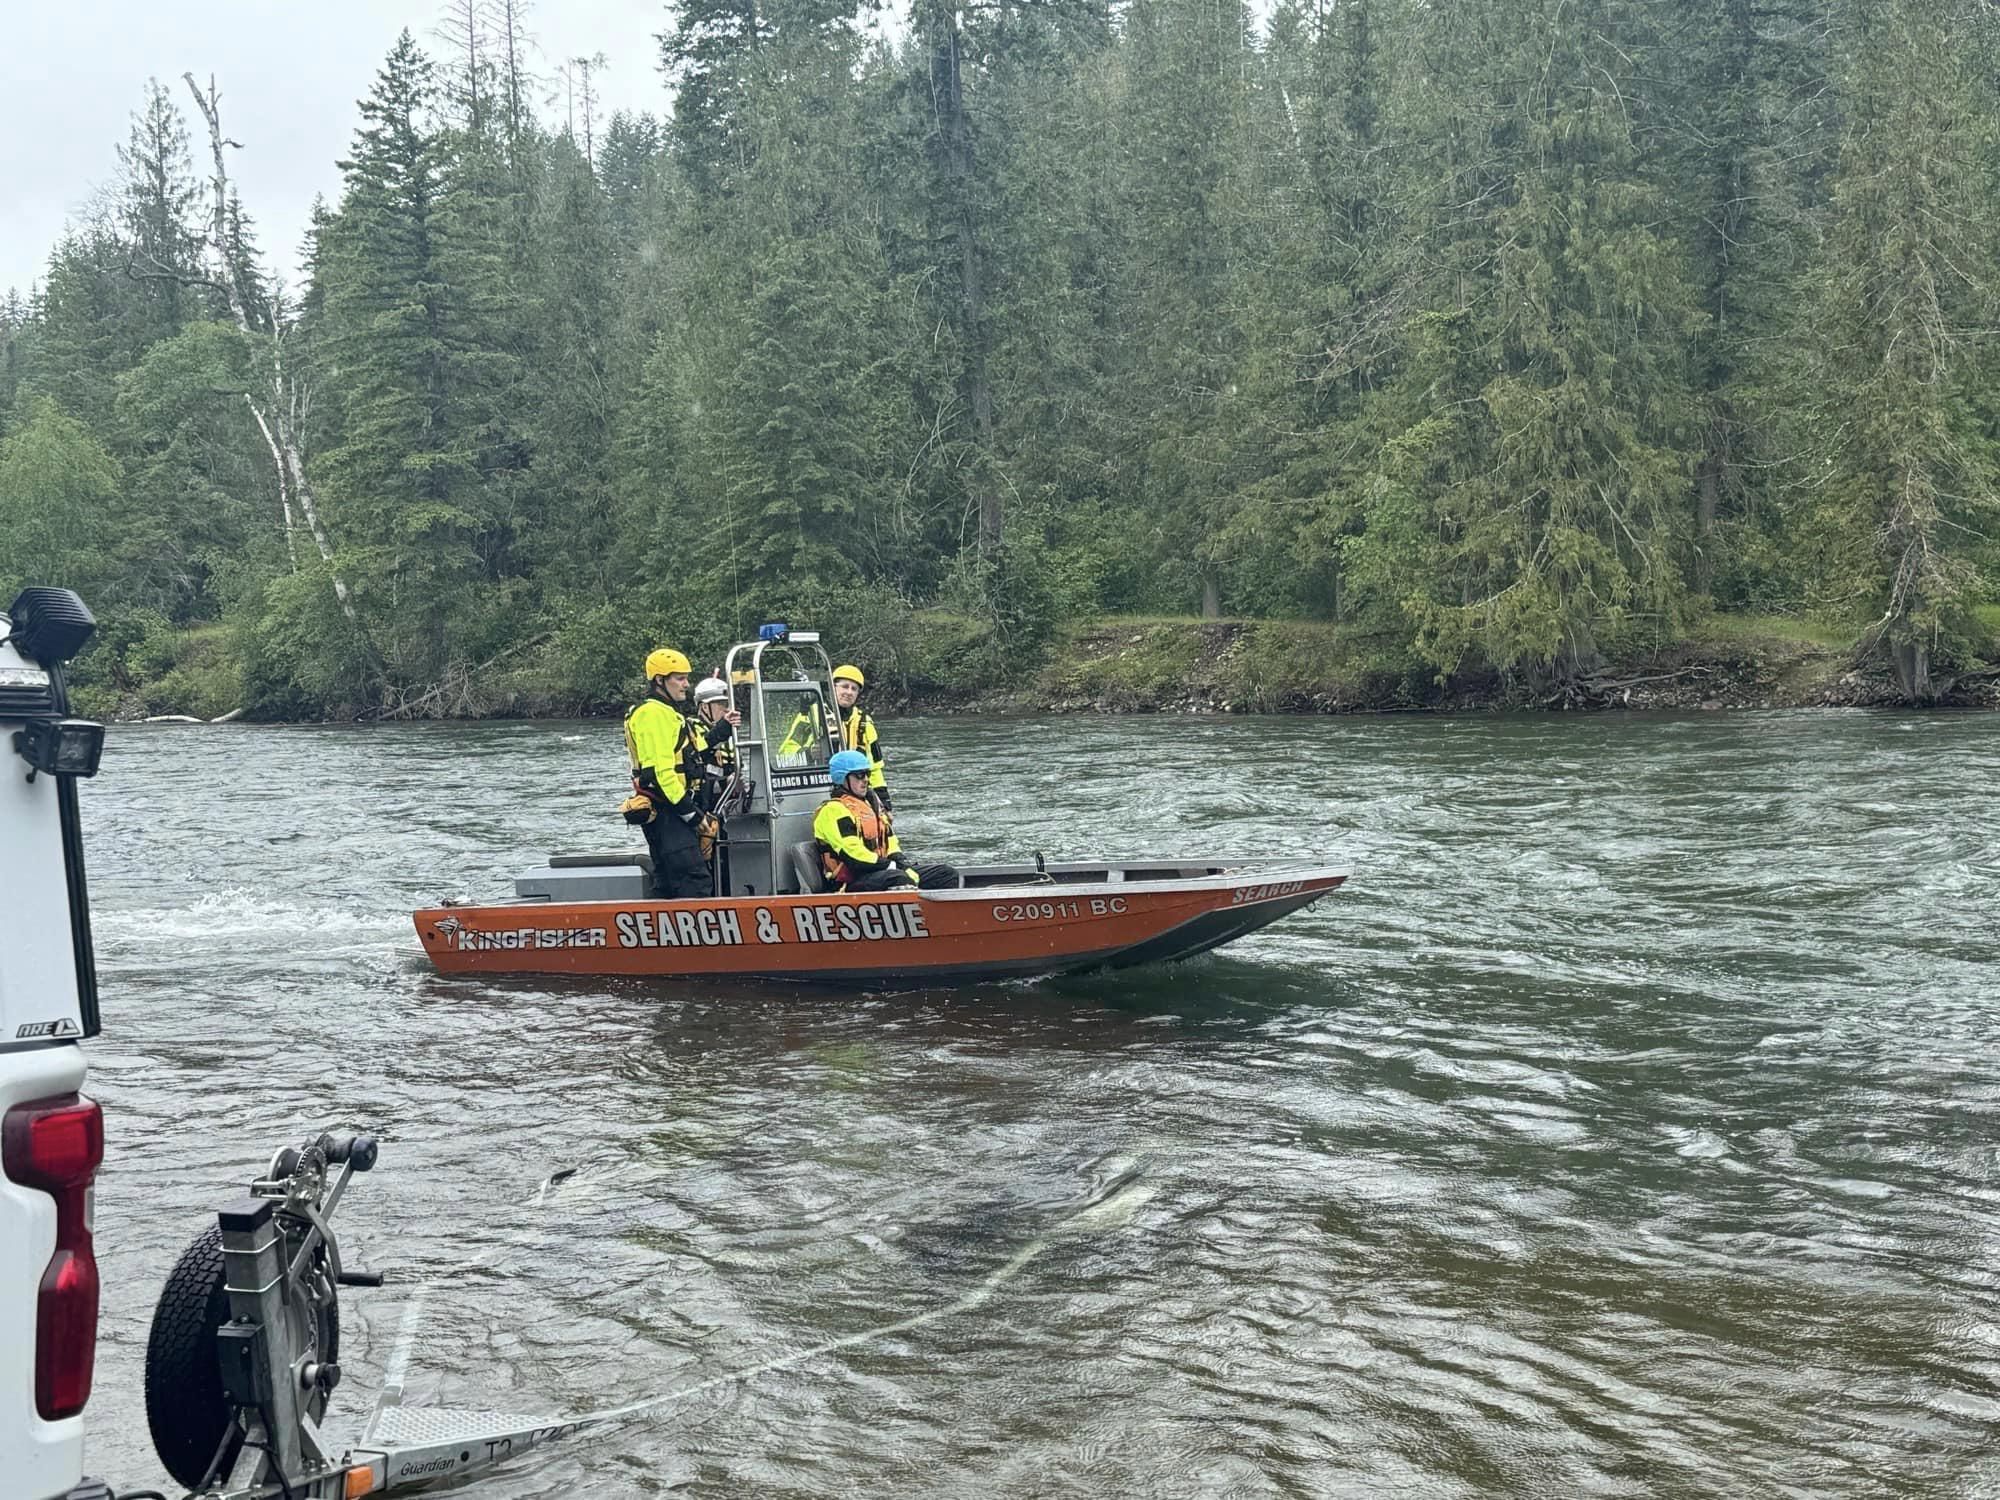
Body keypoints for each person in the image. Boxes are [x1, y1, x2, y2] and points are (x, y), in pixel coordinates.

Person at [623, 648, 716, 900]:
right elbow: (660, 774)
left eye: (686, 677)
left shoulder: (670, 713)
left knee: (667, 881)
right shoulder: (652, 714)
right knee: (693, 879)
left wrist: (725, 728)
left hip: (675, 810)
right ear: (659, 680)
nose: (686, 684)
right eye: (679, 678)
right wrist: (692, 816)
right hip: (667, 811)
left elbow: (697, 750)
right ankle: (696, 937)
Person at [814, 750, 959, 893]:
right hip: (852, 879)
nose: (865, 779)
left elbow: (890, 843)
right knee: (898, 878)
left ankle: (940, 915)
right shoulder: (833, 811)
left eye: (867, 774)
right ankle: (910, 914)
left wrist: (902, 863)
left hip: (878, 871)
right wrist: (891, 866)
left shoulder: (871, 807)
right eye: (859, 775)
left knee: (945, 874)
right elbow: (854, 856)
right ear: (842, 778)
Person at [830, 663, 891, 808]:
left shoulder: (865, 722)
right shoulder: (811, 716)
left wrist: (885, 803)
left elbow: (875, 768)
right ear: (833, 688)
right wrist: (809, 753)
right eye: (844, 686)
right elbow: (789, 751)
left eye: (854, 689)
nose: (849, 692)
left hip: (856, 791)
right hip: (822, 787)